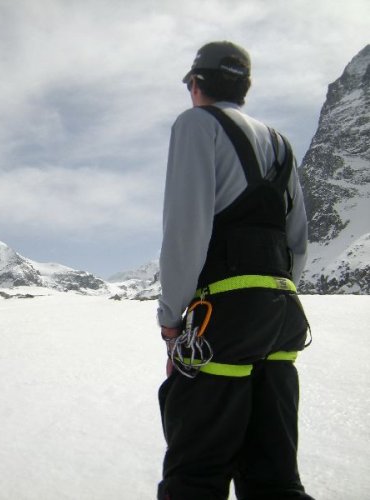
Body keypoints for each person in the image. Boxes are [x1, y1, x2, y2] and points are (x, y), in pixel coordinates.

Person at [156, 41, 314, 500]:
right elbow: (298, 243)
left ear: (196, 84)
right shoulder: (281, 145)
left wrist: (171, 324)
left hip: (222, 319)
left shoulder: (196, 125)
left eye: (189, 84)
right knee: (274, 477)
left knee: (195, 474)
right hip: (282, 317)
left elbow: (187, 229)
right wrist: (268, 304)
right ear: (244, 88)